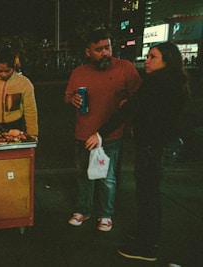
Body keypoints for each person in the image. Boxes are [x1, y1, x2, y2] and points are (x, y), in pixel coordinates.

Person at [86, 42, 190, 261]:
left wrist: (100, 133)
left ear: (166, 61)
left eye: (153, 57)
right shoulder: (171, 82)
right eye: (148, 56)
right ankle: (144, 234)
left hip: (156, 146)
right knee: (147, 193)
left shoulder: (157, 83)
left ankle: (148, 246)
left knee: (148, 195)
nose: (147, 61)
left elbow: (132, 110)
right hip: (160, 144)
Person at [64, 28, 142, 232]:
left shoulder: (125, 68)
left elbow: (139, 96)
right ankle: (84, 210)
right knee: (84, 175)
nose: (105, 53)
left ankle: (106, 215)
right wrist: (73, 99)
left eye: (107, 47)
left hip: (111, 134)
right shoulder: (78, 72)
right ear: (87, 52)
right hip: (83, 133)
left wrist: (127, 101)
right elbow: (67, 96)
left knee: (107, 177)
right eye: (98, 49)